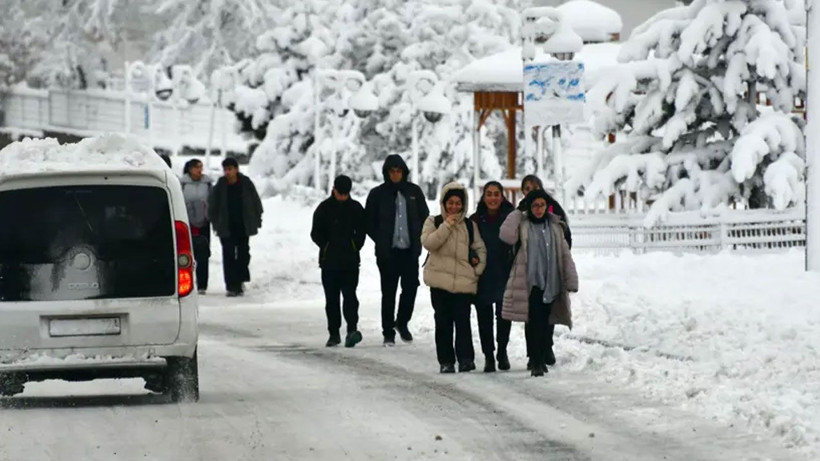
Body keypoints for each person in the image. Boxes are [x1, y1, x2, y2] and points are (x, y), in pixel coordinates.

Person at [500, 190, 578, 377]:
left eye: (542, 205)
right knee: (534, 322)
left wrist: (571, 279)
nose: (539, 209)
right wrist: (518, 212)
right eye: (535, 205)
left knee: (545, 323)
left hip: (551, 281)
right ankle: (535, 360)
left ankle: (541, 356)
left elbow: (565, 255)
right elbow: (506, 235)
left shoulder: (555, 226)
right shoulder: (523, 224)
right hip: (530, 282)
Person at [421, 182, 486, 373]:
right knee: (443, 322)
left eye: (458, 203)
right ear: (444, 202)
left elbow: (480, 248)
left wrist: (477, 270)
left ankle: (466, 358)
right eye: (451, 203)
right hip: (439, 282)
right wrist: (447, 225)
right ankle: (446, 361)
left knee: (463, 321)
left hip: (463, 283)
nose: (454, 207)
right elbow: (429, 243)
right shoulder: (434, 222)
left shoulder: (469, 225)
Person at [365, 155, 430, 346]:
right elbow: (369, 222)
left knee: (411, 288)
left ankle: (402, 322)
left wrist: (419, 241)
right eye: (392, 171)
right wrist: (381, 239)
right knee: (389, 292)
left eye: (398, 171)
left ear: (404, 172)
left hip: (409, 251)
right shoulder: (378, 194)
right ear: (386, 173)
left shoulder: (413, 192)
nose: (395, 175)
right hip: (388, 253)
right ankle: (388, 332)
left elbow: (424, 217)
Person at [518, 174, 572, 368]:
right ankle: (533, 354)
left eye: (533, 187)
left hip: (551, 272)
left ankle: (546, 347)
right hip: (531, 274)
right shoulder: (521, 213)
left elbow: (565, 236)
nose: (530, 191)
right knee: (531, 316)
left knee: (548, 314)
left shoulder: (553, 210)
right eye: (526, 188)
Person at [310, 175, 366, 348]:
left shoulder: (356, 208)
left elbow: (362, 231)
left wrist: (354, 246)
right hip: (329, 263)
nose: (342, 196)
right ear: (333, 189)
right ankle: (333, 333)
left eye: (345, 193)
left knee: (350, 297)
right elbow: (315, 233)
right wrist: (326, 246)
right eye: (340, 193)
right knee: (332, 299)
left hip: (350, 262)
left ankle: (352, 330)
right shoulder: (324, 208)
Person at [470, 181, 515, 372]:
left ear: (502, 196)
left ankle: (502, 351)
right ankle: (489, 355)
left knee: (504, 316)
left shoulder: (511, 218)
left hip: (505, 273)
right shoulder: (476, 219)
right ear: (484, 196)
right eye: (489, 194)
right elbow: (468, 244)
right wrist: (472, 257)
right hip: (483, 275)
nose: (493, 198)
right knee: (484, 318)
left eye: (496, 194)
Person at [208, 157, 263, 297]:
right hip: (226, 226)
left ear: (236, 169)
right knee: (229, 255)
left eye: (230, 169)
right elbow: (213, 205)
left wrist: (257, 218)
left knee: (244, 254)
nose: (227, 172)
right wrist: (214, 221)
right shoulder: (220, 185)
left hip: (243, 225)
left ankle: (240, 278)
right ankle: (232, 286)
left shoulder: (245, 183)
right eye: (225, 169)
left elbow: (255, 202)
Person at [181, 158, 213, 295]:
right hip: (186, 224)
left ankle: (202, 285)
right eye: (196, 167)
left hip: (203, 224)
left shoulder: (207, 184)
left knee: (203, 255)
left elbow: (212, 201)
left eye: (201, 167)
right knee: (186, 255)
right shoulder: (182, 184)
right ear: (190, 169)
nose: (199, 170)